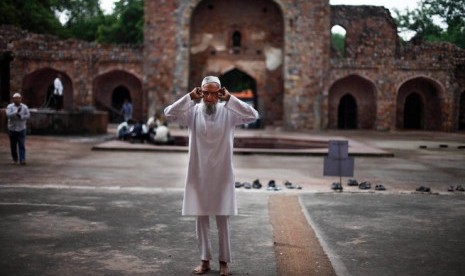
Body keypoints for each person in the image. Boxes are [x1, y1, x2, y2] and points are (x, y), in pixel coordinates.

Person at [164, 76, 259, 275]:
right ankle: (204, 260)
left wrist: (231, 99)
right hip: (198, 172)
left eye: (214, 93)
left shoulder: (229, 112)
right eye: (205, 92)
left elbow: (253, 115)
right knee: (201, 219)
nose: (209, 97)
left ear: (219, 93)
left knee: (223, 219)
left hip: (222, 173)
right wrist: (189, 97)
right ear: (200, 92)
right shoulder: (192, 112)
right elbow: (169, 113)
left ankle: (224, 261)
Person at [6, 93, 30, 165]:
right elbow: (8, 115)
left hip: (21, 128)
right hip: (12, 128)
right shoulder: (10, 106)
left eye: (18, 98)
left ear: (21, 99)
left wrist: (21, 116)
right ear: (13, 99)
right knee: (13, 145)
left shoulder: (24, 107)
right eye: (16, 98)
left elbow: (28, 115)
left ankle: (22, 159)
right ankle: (14, 158)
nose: (17, 100)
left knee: (21, 144)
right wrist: (15, 113)